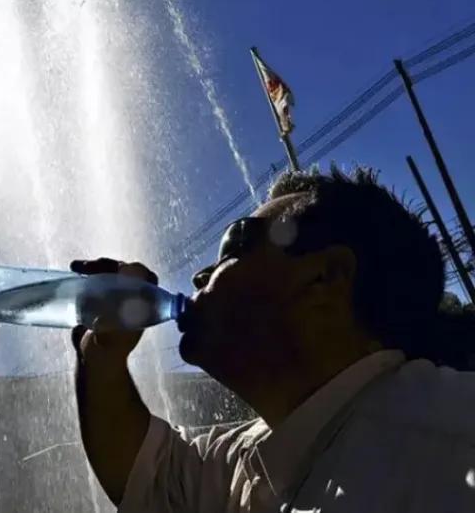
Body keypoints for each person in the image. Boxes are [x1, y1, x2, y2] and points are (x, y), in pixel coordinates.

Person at [70, 166, 475, 512]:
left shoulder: (451, 446)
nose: (200, 275)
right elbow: (149, 474)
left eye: (235, 242)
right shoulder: (259, 456)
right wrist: (102, 354)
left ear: (325, 278)